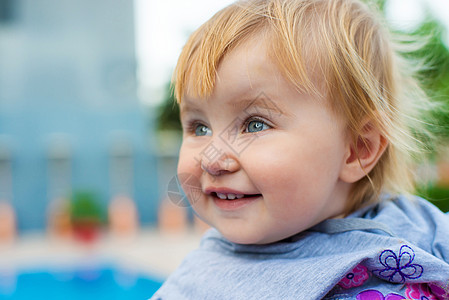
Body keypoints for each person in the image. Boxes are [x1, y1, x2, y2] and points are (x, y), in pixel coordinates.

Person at [151, 0, 449, 298]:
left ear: (357, 149)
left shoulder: (426, 230)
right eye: (199, 127)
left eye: (255, 124)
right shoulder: (201, 279)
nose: (211, 160)